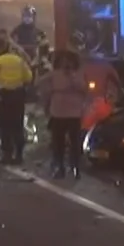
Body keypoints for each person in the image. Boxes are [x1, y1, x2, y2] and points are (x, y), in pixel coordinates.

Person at [0, 34, 33, 165]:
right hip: (18, 95)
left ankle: (7, 155)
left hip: (4, 96)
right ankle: (19, 155)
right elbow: (29, 77)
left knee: (5, 127)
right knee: (18, 126)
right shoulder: (18, 60)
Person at [39, 49, 88, 178]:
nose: (66, 65)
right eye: (64, 62)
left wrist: (71, 78)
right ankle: (59, 166)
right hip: (58, 112)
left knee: (75, 142)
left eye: (69, 62)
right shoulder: (54, 75)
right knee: (58, 142)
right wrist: (49, 93)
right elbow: (39, 83)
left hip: (74, 113)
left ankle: (75, 166)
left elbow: (84, 89)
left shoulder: (78, 74)